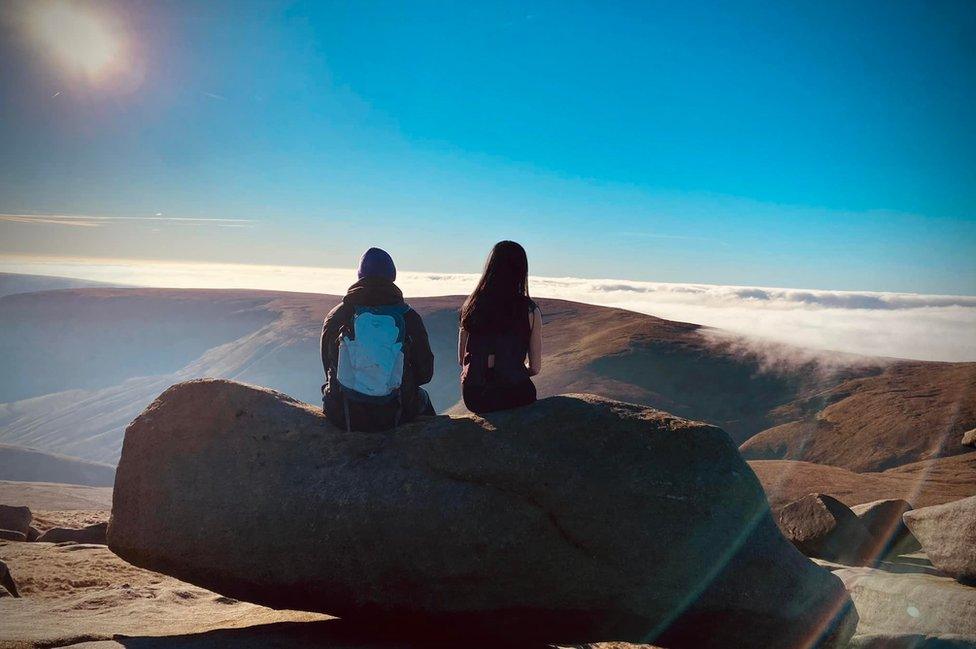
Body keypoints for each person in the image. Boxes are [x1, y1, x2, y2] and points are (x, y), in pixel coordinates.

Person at [321, 247, 435, 431]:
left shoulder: (337, 316)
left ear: (360, 276)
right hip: (397, 411)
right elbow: (425, 374)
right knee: (423, 398)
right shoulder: (408, 317)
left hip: (344, 412)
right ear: (392, 276)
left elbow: (328, 366)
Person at [458, 241, 542, 414]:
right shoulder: (530, 310)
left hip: (475, 396)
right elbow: (535, 368)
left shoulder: (471, 306)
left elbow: (462, 360)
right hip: (514, 393)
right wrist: (515, 368)